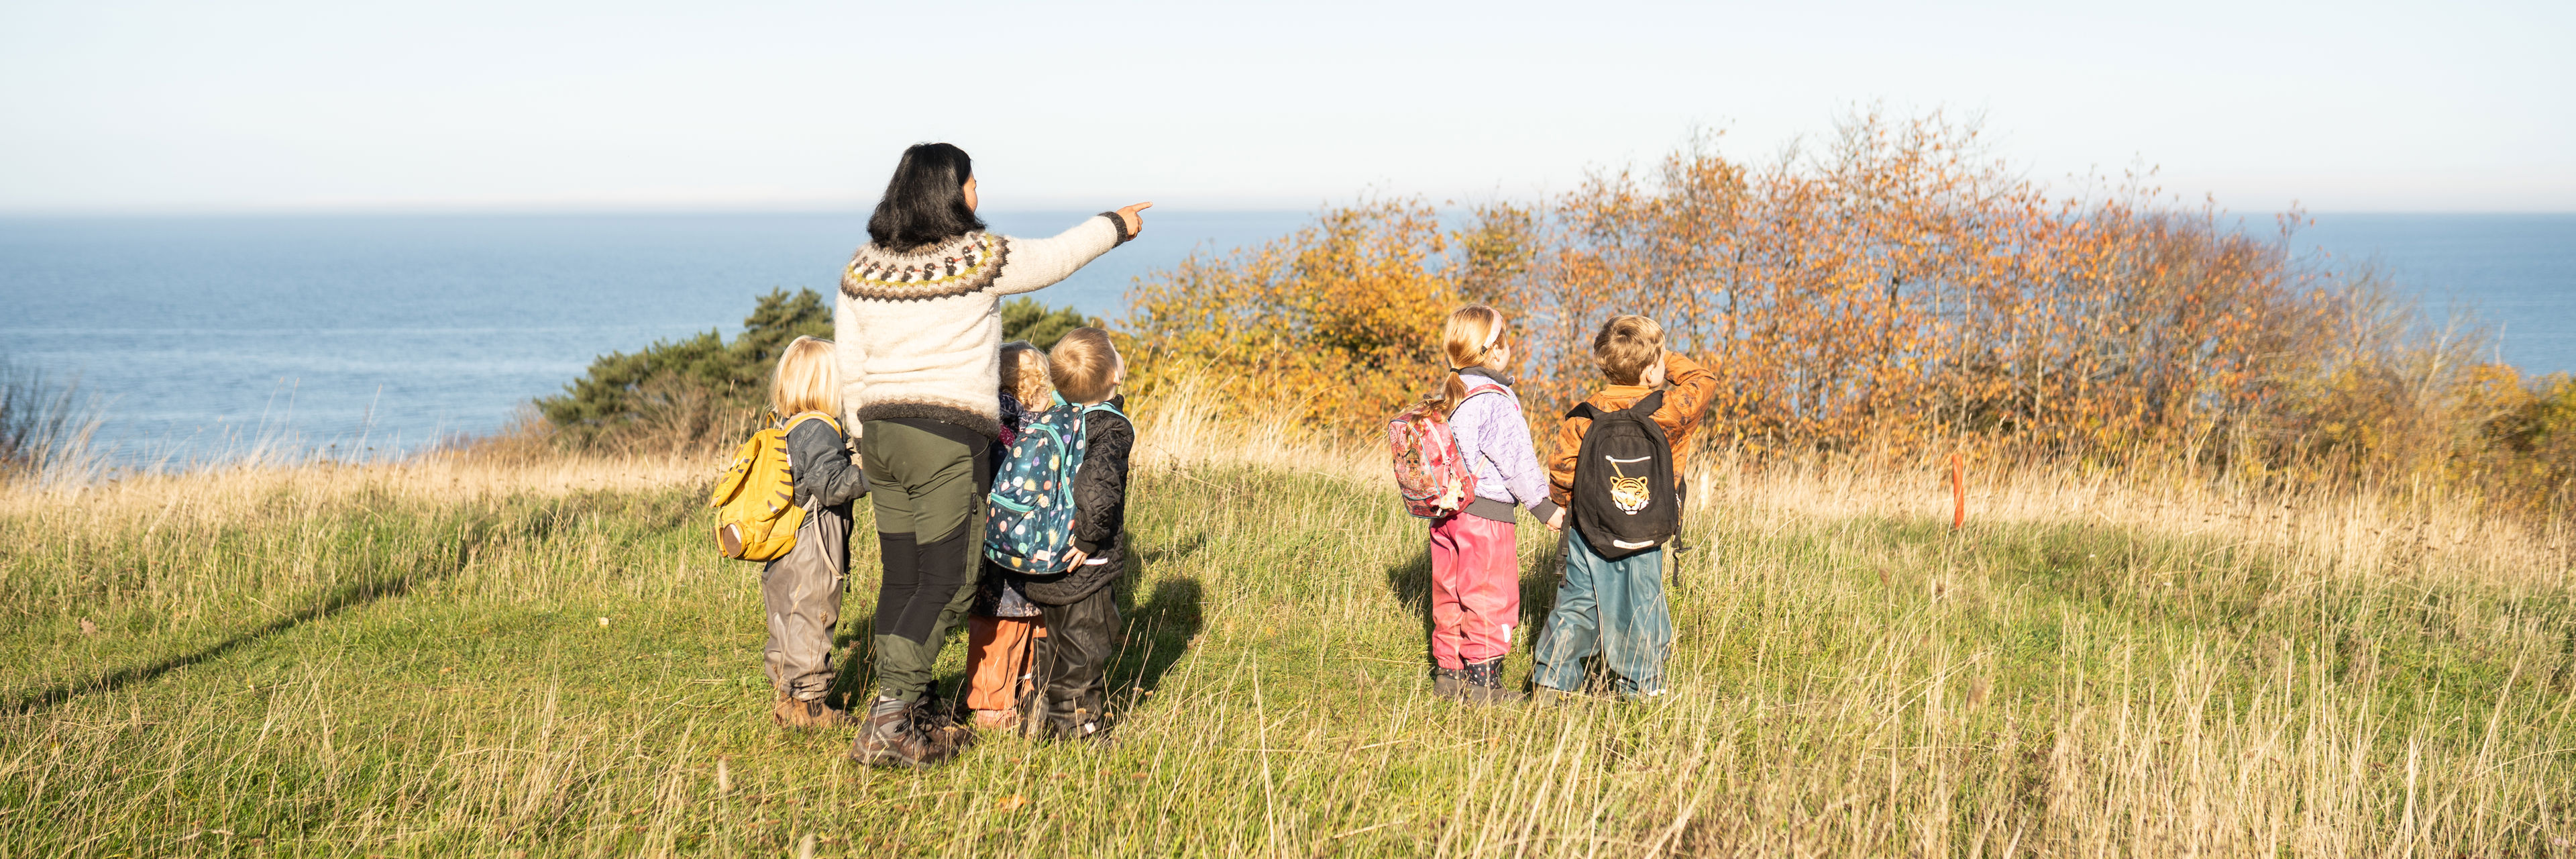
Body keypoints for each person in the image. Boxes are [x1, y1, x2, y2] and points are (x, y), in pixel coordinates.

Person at [837, 142, 1149, 768]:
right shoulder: (975, 257)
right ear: (949, 191)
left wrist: (860, 439)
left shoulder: (863, 267)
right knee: (948, 582)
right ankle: (892, 720)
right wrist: (1115, 225)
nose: (978, 192)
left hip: (880, 438)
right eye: (972, 182)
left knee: (902, 577)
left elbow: (850, 364)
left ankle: (910, 705)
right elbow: (1057, 257)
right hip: (943, 440)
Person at [1529, 315, 1719, 701]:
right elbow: (1703, 380)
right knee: (1642, 608)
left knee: (1577, 604)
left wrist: (1563, 506)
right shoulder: (1670, 412)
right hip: (1645, 531)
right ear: (1651, 370)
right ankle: (1641, 688)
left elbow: (1562, 470)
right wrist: (1661, 357)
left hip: (1587, 530)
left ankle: (1551, 682)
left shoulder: (1584, 415)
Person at [1425, 305, 1563, 705]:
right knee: (1489, 595)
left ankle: (1450, 677)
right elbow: (1516, 460)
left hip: (1445, 515)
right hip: (1485, 516)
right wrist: (1543, 507)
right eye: (1506, 340)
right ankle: (1483, 685)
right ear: (1495, 350)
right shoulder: (1496, 398)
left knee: (1450, 594)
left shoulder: (1452, 392)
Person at [1019, 328, 1133, 744]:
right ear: (1114, 375)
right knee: (1086, 647)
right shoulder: (1110, 428)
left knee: (1053, 642)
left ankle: (1038, 718)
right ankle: (1078, 728)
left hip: (1044, 551)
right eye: (1116, 352)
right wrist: (1088, 540)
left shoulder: (1056, 418)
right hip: (1086, 560)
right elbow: (1097, 491)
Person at [759, 336, 869, 727]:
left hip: (785, 543)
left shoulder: (787, 426)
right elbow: (830, 485)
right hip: (814, 544)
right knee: (813, 616)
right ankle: (809, 706)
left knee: (787, 618)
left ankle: (786, 698)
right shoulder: (818, 428)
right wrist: (873, 475)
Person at [961, 342, 1053, 731]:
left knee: (1000, 622)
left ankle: (996, 703)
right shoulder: (1043, 428)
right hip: (1038, 545)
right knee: (1026, 622)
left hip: (996, 541)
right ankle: (1016, 697)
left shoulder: (990, 424)